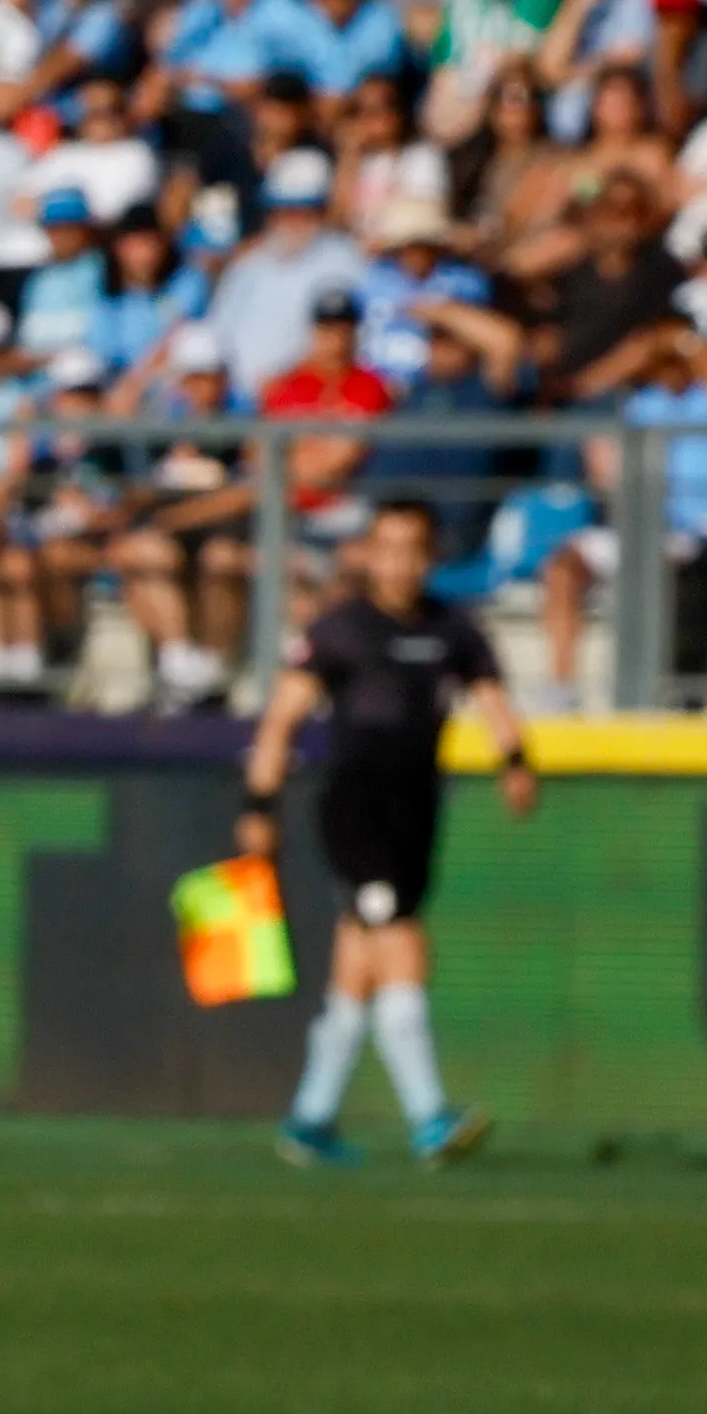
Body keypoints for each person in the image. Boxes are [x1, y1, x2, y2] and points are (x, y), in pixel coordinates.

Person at [238, 492, 539, 1169]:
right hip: (357, 804)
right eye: (387, 547)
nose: (399, 563)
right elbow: (281, 719)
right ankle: (428, 1116)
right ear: (368, 553)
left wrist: (515, 761)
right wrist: (257, 803)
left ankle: (309, 1120)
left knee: (356, 965)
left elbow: (491, 696)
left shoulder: (453, 628)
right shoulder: (341, 629)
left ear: (431, 555)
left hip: (417, 804)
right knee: (399, 942)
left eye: (413, 549)